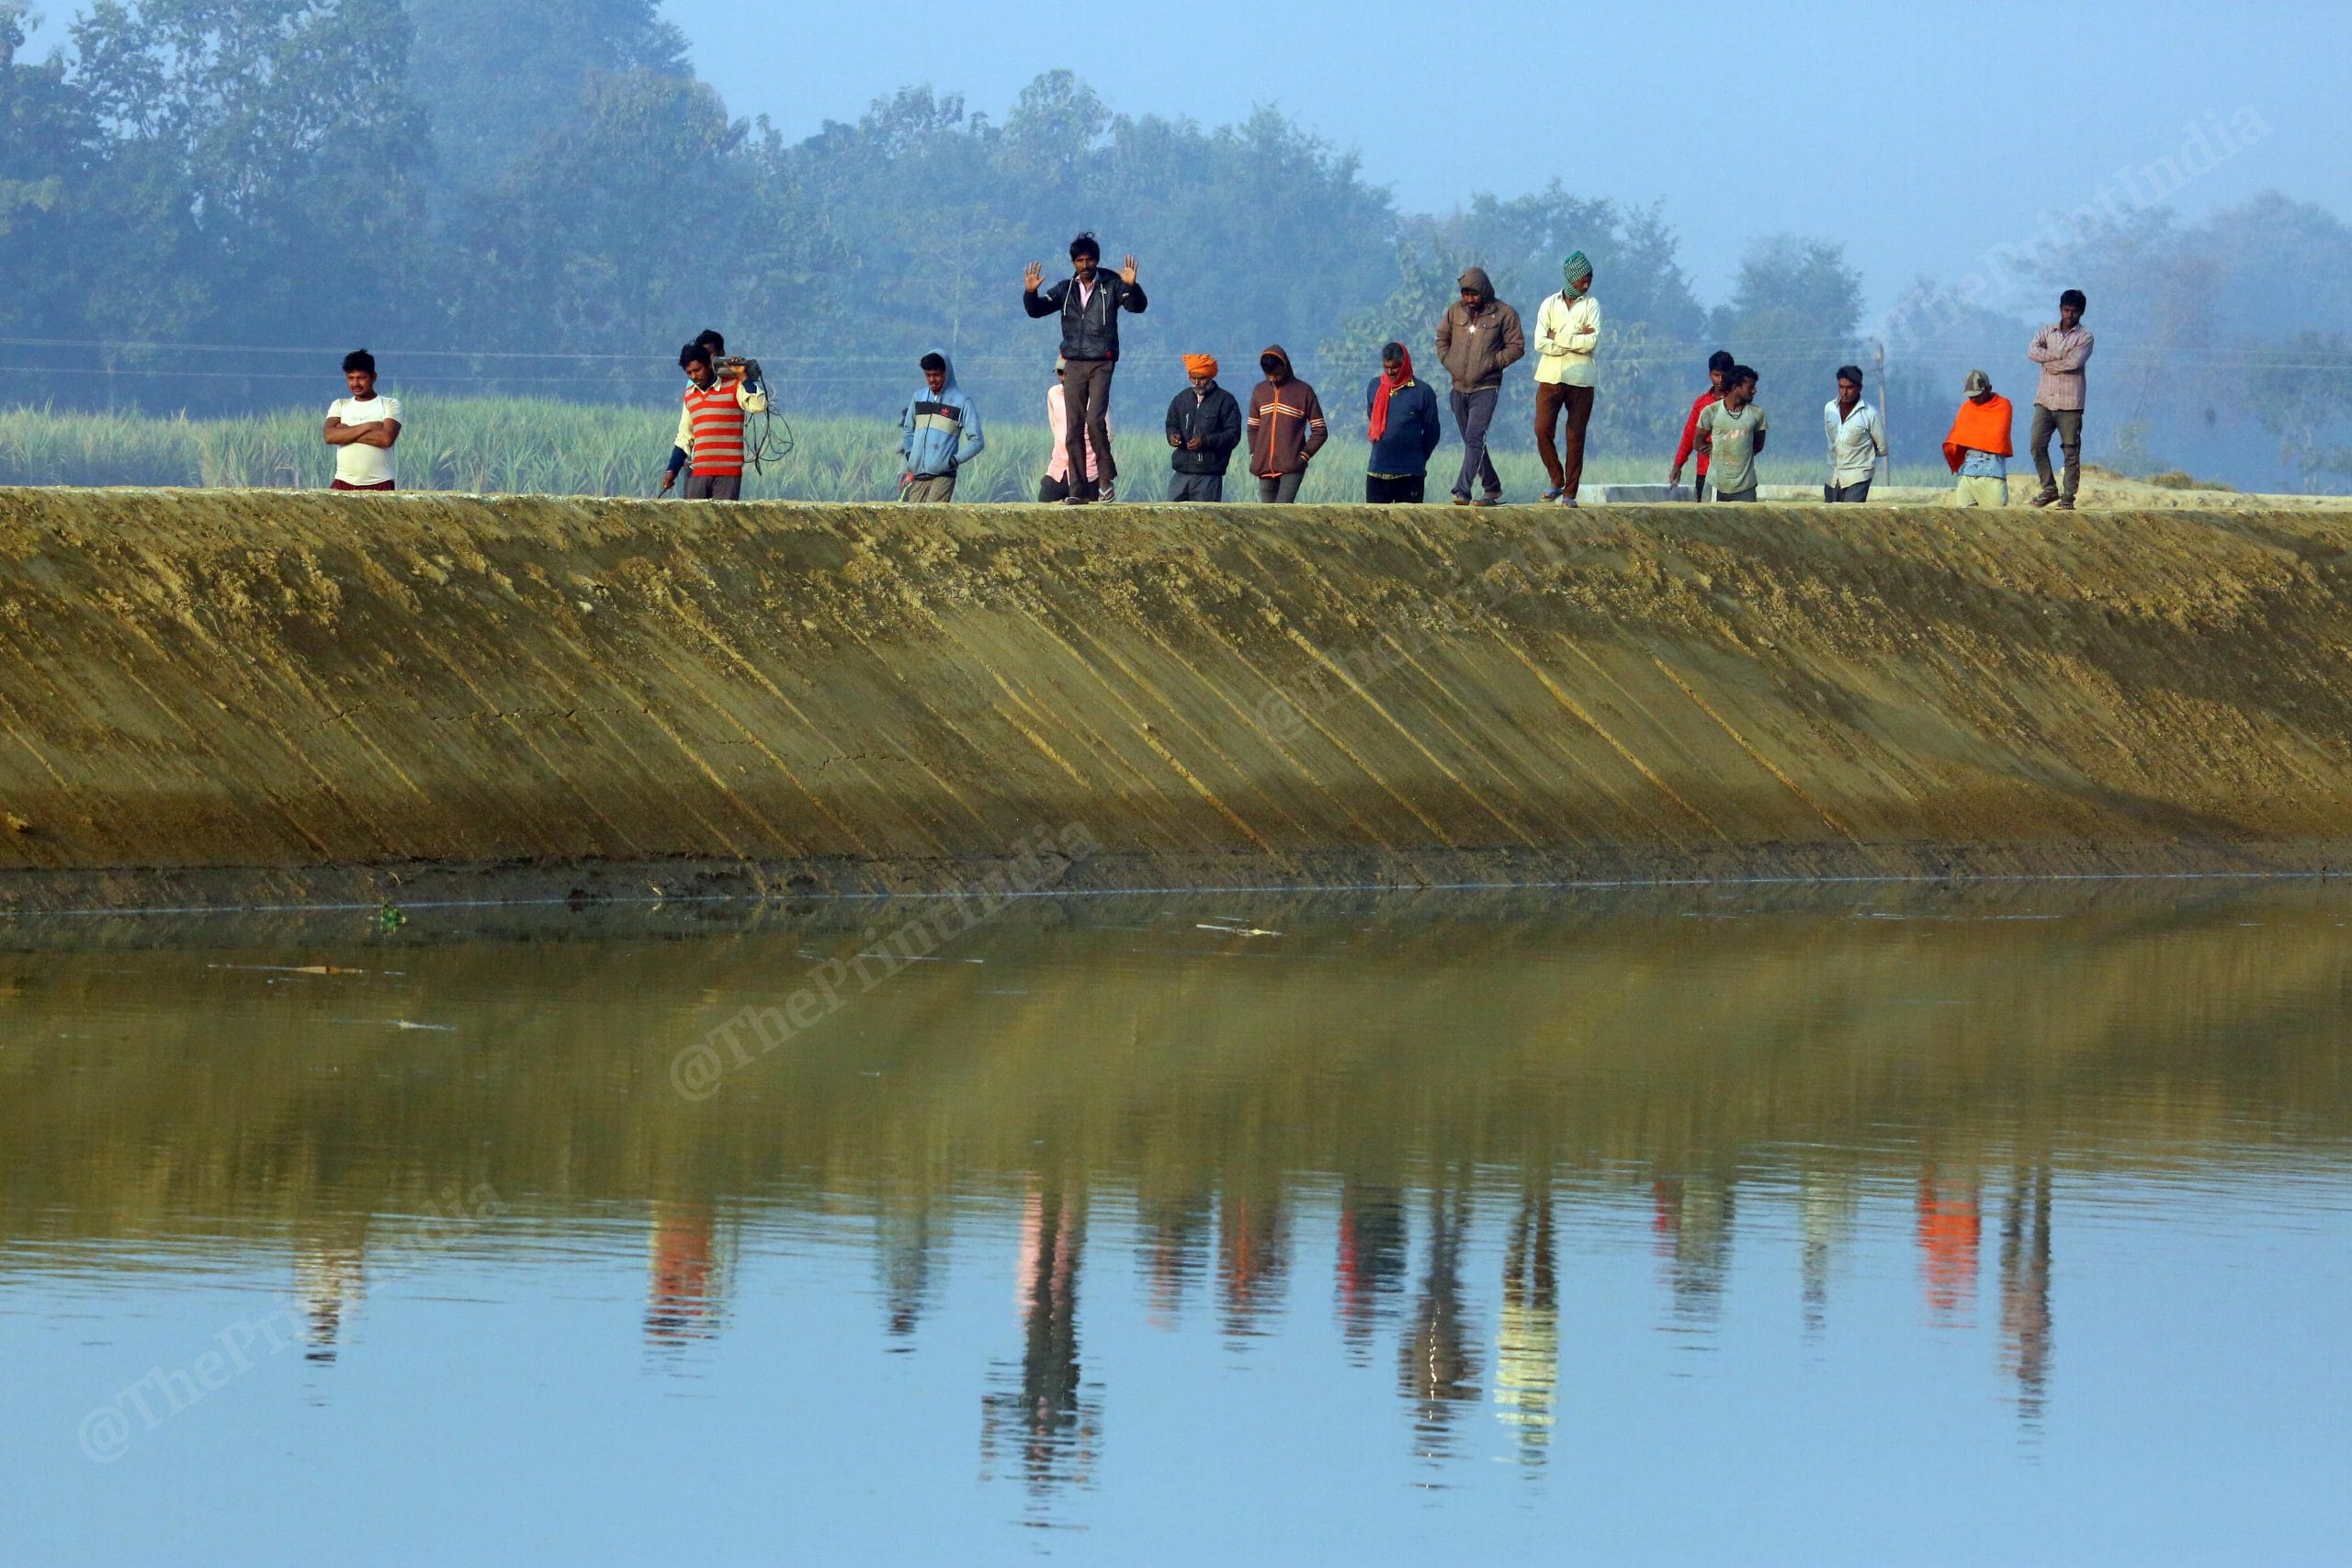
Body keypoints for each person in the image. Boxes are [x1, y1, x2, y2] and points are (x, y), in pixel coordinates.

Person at [1023, 233, 1148, 504]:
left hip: (1102, 360)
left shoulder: (1112, 286)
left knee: (1094, 421)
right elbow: (1036, 311)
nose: (1085, 264)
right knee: (1074, 426)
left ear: (1097, 260)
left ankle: (1105, 480)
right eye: (1080, 260)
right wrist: (1030, 292)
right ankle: (1076, 490)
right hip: (1074, 362)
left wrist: (1133, 286)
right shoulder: (1065, 289)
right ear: (1074, 262)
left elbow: (1137, 307)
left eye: (1090, 259)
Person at [1434, 266, 1525, 505]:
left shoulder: (1504, 313)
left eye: (1473, 294)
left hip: (1486, 387)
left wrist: (1493, 363)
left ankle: (1462, 490)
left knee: (1475, 437)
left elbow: (1517, 346)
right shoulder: (1454, 311)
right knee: (1472, 440)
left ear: (1484, 291)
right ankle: (1492, 487)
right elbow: (1442, 338)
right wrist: (1448, 360)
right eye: (1465, 294)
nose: (1469, 299)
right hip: (1458, 387)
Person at [1531, 251, 1601, 505]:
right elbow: (1539, 341)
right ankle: (1555, 478)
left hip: (1581, 380)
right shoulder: (1549, 304)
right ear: (1572, 277)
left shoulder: (1591, 305)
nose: (1586, 284)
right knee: (1542, 429)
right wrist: (1574, 340)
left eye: (1589, 279)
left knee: (1575, 435)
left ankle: (1570, 493)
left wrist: (1557, 337)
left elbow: (1592, 341)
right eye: (1583, 278)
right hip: (1550, 376)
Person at [661, 341, 767, 500]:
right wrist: (672, 471)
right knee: (696, 521)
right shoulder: (690, 395)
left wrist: (743, 375)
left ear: (709, 365)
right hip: (700, 473)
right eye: (689, 373)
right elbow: (684, 437)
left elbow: (759, 405)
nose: (694, 376)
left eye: (697, 370)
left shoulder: (734, 385)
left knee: (723, 522)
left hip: (728, 474)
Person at [2026, 288, 2094, 511]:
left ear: (2081, 312)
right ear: (2060, 309)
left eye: (2074, 311)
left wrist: (2048, 361)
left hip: (2070, 403)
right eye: (2066, 310)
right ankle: (2048, 488)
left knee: (2071, 451)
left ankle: (2068, 497)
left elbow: (2073, 363)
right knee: (2037, 444)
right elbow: (2032, 351)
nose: (2070, 315)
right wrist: (2057, 356)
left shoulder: (2085, 337)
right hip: (2045, 399)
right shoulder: (2047, 331)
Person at [898, 351, 983, 502]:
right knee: (913, 520)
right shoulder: (918, 397)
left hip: (943, 476)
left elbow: (977, 441)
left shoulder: (962, 402)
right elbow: (908, 430)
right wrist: (911, 455)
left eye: (936, 375)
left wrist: (953, 461)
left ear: (947, 374)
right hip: (919, 474)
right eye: (928, 375)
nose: (932, 380)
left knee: (932, 519)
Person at [1363, 342, 1442, 503]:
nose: (1390, 372)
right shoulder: (1374, 386)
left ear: (1405, 363)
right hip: (1378, 470)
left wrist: (1418, 457)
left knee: (1409, 526)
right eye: (1386, 367)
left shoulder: (1423, 392)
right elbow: (1372, 417)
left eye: (1395, 367)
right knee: (1376, 525)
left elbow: (1432, 433)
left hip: (1409, 473)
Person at [1246, 346, 1327, 503]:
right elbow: (1252, 427)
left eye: (1276, 374)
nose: (1273, 379)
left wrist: (1303, 457)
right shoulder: (1259, 391)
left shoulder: (1304, 391)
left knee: (1282, 513)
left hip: (1292, 467)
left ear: (1286, 366)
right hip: (1263, 467)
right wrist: (1255, 454)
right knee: (1266, 517)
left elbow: (1320, 430)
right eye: (1269, 375)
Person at [1165, 354, 1242, 502]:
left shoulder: (1226, 401)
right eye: (1192, 378)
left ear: (1211, 376)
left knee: (1206, 520)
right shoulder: (1181, 399)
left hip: (1209, 475)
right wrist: (1173, 435)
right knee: (1171, 517)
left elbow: (1233, 436)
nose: (1196, 383)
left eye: (1201, 378)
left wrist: (1205, 441)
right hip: (1181, 473)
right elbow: (1171, 423)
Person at [323, 349, 401, 491]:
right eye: (351, 378)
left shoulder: (389, 404)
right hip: (343, 481)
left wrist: (345, 433)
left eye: (361, 378)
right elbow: (329, 436)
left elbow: (386, 439)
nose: (356, 383)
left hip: (380, 482)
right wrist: (370, 426)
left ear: (373, 377)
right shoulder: (339, 405)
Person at [1942, 368, 2015, 507]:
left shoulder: (2002, 405)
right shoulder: (1966, 408)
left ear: (1989, 389)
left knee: (1995, 521)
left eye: (1978, 395)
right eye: (1971, 396)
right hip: (1967, 473)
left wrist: (1971, 439)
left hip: (1992, 474)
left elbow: (1995, 438)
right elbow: (1959, 436)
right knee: (1963, 521)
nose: (1974, 399)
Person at [1042, 358, 1109, 503]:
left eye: (1066, 373)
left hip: (1087, 472)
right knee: (1041, 510)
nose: (1063, 377)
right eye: (1059, 373)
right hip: (1059, 469)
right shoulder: (1054, 394)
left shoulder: (1094, 398)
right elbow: (1055, 426)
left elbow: (1107, 434)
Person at [1695, 367, 1767, 502]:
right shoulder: (1711, 411)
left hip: (1746, 487)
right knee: (1711, 522)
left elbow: (1757, 446)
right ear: (1736, 388)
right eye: (1750, 387)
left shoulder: (1757, 414)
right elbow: (1697, 443)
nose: (1754, 391)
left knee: (1746, 522)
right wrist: (1714, 446)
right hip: (1716, 484)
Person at [1670, 350, 1735, 501]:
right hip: (1704, 472)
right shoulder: (1702, 403)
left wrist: (1717, 447)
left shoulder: (1738, 402)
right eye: (1716, 375)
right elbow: (1689, 435)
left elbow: (1744, 435)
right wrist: (1678, 465)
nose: (1720, 380)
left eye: (1724, 375)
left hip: (1732, 474)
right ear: (1710, 375)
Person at [1823, 366, 1885, 502]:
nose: (1844, 392)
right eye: (1841, 387)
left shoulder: (1870, 414)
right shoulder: (1829, 408)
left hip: (1858, 477)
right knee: (1830, 519)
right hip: (1832, 475)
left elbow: (1882, 448)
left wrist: (1862, 455)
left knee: (1849, 517)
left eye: (1849, 388)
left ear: (1859, 388)